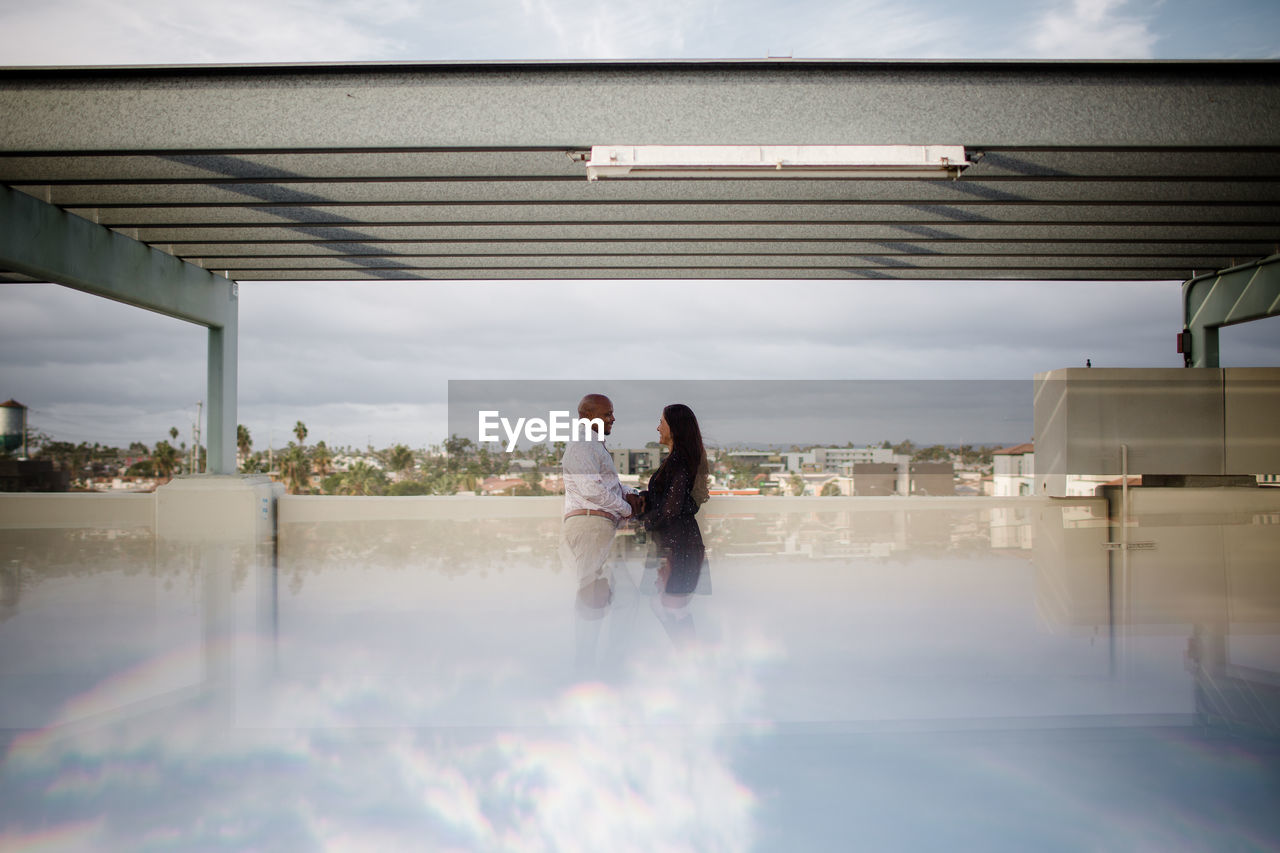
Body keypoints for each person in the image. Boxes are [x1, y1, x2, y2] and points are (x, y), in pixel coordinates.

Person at [560, 394, 641, 608]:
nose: (613, 418)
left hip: (596, 527)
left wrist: (633, 493)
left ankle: (594, 633)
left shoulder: (593, 445)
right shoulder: (582, 446)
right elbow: (591, 490)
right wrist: (626, 509)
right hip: (590, 526)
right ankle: (588, 637)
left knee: (597, 590)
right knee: (590, 593)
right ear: (588, 416)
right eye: (607, 414)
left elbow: (606, 485)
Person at [638, 403, 709, 600]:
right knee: (669, 604)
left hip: (677, 545)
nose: (658, 428)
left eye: (661, 422)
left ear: (674, 427)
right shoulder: (679, 460)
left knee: (671, 604)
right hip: (679, 541)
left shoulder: (679, 462)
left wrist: (643, 518)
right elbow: (668, 500)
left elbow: (671, 508)